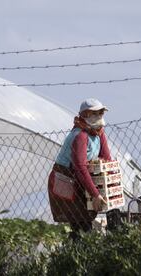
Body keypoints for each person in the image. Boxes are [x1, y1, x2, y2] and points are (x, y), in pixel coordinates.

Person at [48, 98, 112, 240]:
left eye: (101, 112)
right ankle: (75, 256)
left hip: (80, 180)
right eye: (95, 113)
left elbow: (106, 159)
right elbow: (80, 168)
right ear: (85, 115)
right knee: (81, 224)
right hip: (66, 180)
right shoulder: (80, 136)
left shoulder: (99, 133)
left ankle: (75, 253)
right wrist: (95, 194)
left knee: (84, 224)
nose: (100, 116)